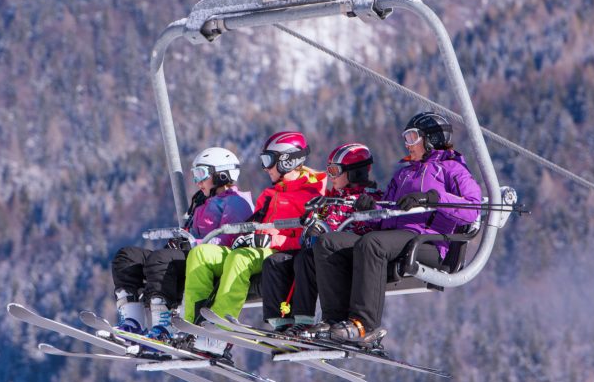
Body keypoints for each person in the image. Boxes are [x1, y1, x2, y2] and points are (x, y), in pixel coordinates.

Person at [314, 112, 481, 345]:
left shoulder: (452, 170)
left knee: (372, 243)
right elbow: (385, 215)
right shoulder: (404, 173)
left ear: (431, 139)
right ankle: (334, 320)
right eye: (406, 137)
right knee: (329, 243)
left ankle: (363, 325)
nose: (407, 144)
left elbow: (473, 208)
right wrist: (368, 210)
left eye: (412, 137)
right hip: (392, 238)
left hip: (427, 243)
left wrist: (432, 197)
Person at [181, 131, 326, 356]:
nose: (265, 168)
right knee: (200, 254)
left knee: (240, 258)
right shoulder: (270, 195)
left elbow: (313, 237)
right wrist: (248, 235)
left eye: (268, 161)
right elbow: (255, 224)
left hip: (282, 252)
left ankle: (219, 330)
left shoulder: (313, 193)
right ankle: (191, 326)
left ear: (288, 160)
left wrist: (273, 239)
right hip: (260, 248)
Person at [110, 147, 253, 340]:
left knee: (161, 259)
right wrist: (181, 240)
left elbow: (230, 238)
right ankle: (132, 321)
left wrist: (193, 244)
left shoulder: (236, 202)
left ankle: (164, 326)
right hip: (190, 254)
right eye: (195, 175)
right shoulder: (202, 203)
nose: (197, 182)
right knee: (127, 257)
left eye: (201, 174)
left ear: (221, 175)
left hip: (209, 260)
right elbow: (190, 232)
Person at [260, 142, 381, 335]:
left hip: (344, 254)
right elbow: (316, 220)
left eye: (335, 171)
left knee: (305, 258)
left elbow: (373, 227)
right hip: (321, 251)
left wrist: (369, 210)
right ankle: (282, 322)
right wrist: (312, 225)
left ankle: (310, 320)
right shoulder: (330, 199)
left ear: (353, 172)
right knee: (276, 261)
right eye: (329, 171)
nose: (331, 176)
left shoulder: (369, 200)